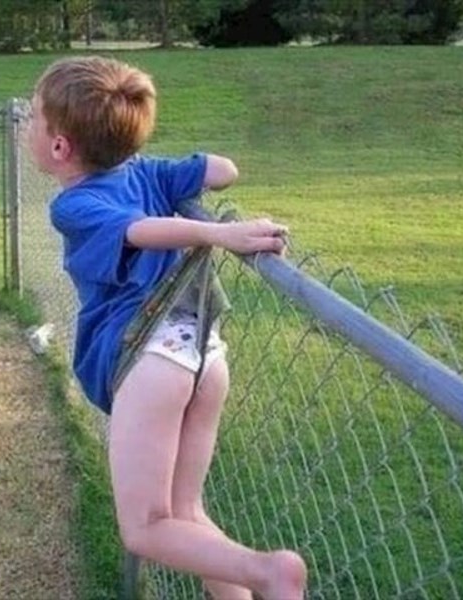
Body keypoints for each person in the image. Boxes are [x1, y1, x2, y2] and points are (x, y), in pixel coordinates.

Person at [27, 55, 307, 600]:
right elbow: (223, 170)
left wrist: (216, 234)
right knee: (185, 512)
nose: (27, 126)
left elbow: (136, 230)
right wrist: (181, 181)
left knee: (146, 528)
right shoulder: (147, 172)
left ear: (60, 147)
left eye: (33, 118)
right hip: (203, 353)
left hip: (152, 360)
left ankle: (269, 572)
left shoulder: (74, 204)